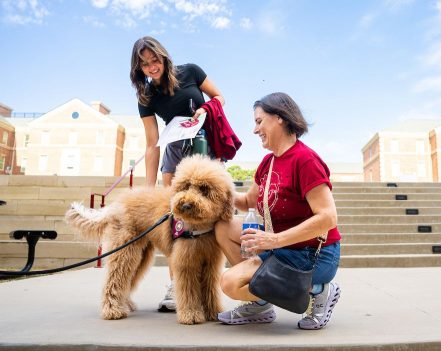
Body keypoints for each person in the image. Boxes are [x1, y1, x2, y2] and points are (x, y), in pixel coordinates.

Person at [214, 92, 341, 330]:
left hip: (312, 253)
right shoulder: (267, 163)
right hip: (280, 247)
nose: (255, 129)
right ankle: (261, 302)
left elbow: (328, 217)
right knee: (225, 226)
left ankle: (320, 290)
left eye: (259, 121)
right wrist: (213, 184)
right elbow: (247, 202)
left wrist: (273, 240)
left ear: (280, 118)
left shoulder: (305, 160)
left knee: (230, 283)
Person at [129, 36, 225, 312]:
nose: (151, 67)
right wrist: (149, 188)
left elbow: (219, 97)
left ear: (164, 56)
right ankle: (175, 286)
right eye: (144, 64)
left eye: (154, 60)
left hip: (204, 146)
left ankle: (209, 288)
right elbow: (151, 143)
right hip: (174, 151)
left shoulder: (190, 71)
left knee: (211, 223)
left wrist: (205, 110)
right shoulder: (146, 96)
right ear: (139, 69)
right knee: (177, 225)